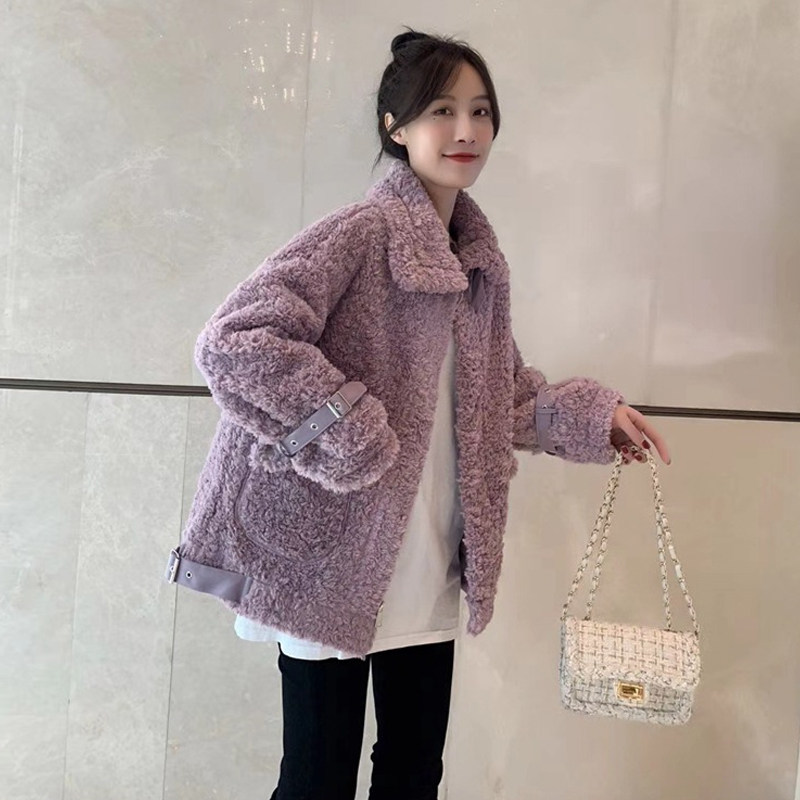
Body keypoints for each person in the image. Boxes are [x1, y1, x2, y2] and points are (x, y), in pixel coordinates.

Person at [168, 27, 671, 800]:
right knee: (316, 781)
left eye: (481, 110)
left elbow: (499, 400)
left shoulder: (476, 267)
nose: (466, 129)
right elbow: (235, 340)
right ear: (395, 126)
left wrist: (593, 420)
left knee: (412, 777)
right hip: (330, 558)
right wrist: (347, 430)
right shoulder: (360, 234)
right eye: (442, 110)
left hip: (427, 564)